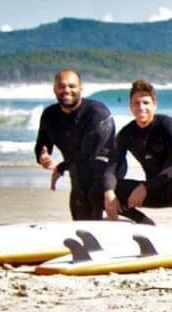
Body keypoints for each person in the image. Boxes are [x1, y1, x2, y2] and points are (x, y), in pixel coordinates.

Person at [104, 79, 172, 226]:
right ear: (130, 106)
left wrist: (145, 187)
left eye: (146, 103)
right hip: (153, 191)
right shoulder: (126, 133)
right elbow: (112, 167)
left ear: (155, 105)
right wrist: (109, 191)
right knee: (101, 190)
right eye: (136, 103)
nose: (141, 107)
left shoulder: (166, 125)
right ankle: (144, 223)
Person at [34, 69, 116, 220]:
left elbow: (89, 153)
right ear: (55, 89)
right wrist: (43, 156)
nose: (67, 90)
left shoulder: (97, 112)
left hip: (106, 170)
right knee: (80, 215)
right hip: (77, 171)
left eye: (72, 86)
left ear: (81, 88)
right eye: (62, 86)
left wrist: (61, 167)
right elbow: (42, 144)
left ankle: (142, 225)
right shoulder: (50, 115)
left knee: (90, 188)